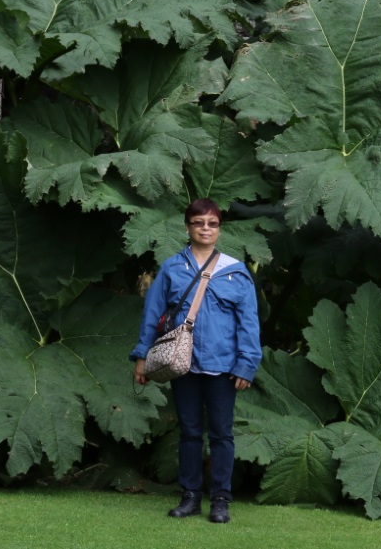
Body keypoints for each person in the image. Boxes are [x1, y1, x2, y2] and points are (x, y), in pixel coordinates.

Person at [130, 198, 262, 524]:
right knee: (189, 432)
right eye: (199, 223)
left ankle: (220, 500)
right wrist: (142, 357)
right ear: (187, 226)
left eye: (212, 224)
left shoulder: (235, 271)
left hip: (223, 365)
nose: (206, 229)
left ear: (219, 228)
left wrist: (247, 363)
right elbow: (152, 315)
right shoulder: (173, 268)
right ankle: (189, 497)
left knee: (221, 434)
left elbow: (249, 322)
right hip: (182, 363)